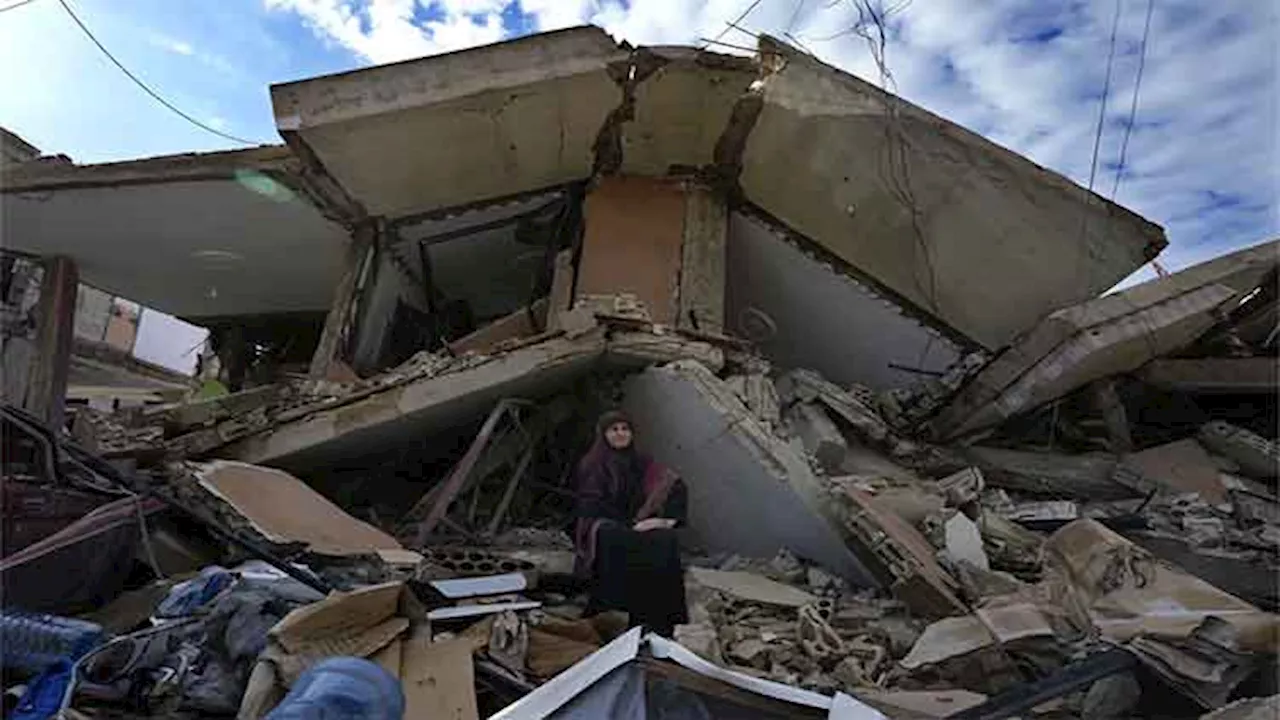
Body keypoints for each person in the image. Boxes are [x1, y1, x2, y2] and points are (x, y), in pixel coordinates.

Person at [573, 410, 688, 636]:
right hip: (601, 522)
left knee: (664, 539)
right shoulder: (593, 463)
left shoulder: (641, 461)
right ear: (604, 434)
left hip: (637, 522)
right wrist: (626, 524)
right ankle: (614, 612)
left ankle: (659, 620)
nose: (620, 434)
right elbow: (589, 505)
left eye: (625, 429)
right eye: (614, 429)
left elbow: (672, 483)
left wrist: (665, 521)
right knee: (614, 536)